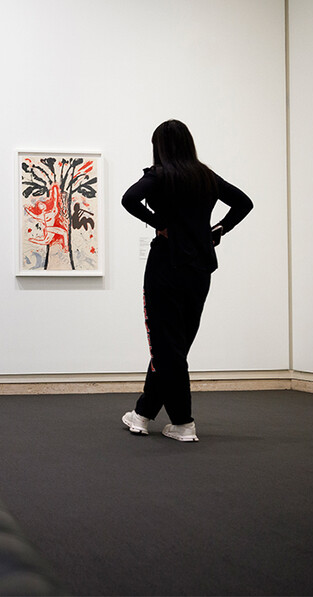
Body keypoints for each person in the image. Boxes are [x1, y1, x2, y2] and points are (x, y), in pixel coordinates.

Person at [120, 120, 253, 442]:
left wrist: (159, 223)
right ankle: (142, 414)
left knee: (168, 348)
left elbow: (129, 199)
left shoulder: (158, 175)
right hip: (199, 268)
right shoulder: (205, 176)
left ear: (159, 147)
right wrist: (217, 231)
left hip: (166, 264)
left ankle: (182, 422)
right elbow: (243, 203)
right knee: (174, 346)